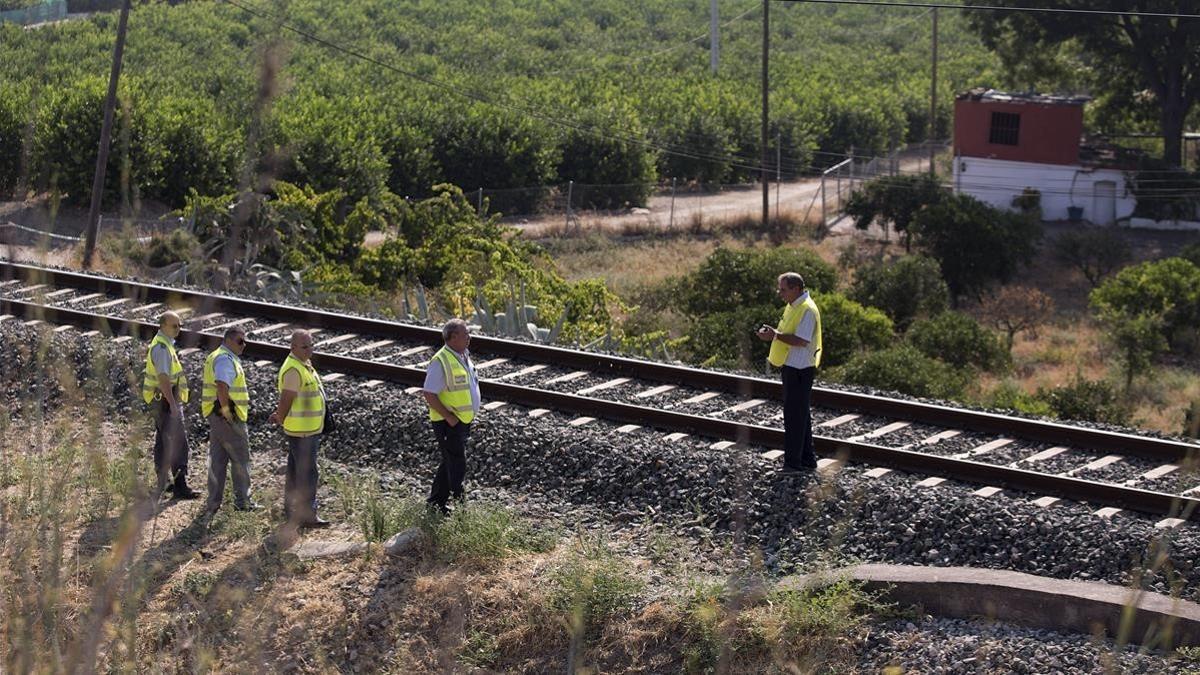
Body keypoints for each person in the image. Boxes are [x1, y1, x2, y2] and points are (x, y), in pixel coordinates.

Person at [756, 272, 823, 472]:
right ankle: (807, 459)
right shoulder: (794, 306)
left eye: (783, 289)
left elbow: (801, 341)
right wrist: (774, 334)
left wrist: (774, 336)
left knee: (794, 416)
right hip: (793, 366)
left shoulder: (807, 310)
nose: (780, 293)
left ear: (796, 289)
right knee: (800, 414)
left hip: (801, 369)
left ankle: (793, 463)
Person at [268, 329, 331, 528]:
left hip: (306, 429)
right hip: (302, 431)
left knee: (296, 471)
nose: (309, 350)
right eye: (305, 347)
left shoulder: (303, 365)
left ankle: (291, 510)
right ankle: (306, 514)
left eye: (311, 345)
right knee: (308, 473)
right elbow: (287, 397)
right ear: (293, 347)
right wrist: (280, 417)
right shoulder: (294, 369)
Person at [423, 318, 481, 515]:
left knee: (449, 460)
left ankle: (435, 504)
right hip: (448, 423)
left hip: (461, 421)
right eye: (465, 334)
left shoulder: (462, 355)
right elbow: (429, 393)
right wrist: (449, 417)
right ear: (453, 337)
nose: (469, 337)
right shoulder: (440, 361)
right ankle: (462, 509)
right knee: (457, 464)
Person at [201, 326, 260, 515]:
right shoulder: (225, 359)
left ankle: (213, 503)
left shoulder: (219, 356)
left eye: (245, 341)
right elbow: (222, 386)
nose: (244, 345)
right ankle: (243, 502)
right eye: (240, 341)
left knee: (218, 459)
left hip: (216, 415)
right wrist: (227, 412)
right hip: (227, 416)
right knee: (240, 458)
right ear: (228, 341)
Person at [141, 311, 199, 499]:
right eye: (174, 325)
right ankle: (179, 486)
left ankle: (162, 483)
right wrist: (173, 405)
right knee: (179, 443)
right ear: (163, 326)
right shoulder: (162, 349)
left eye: (179, 325)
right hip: (165, 400)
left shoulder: (164, 345)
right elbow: (164, 378)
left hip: (161, 401)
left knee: (162, 442)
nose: (178, 329)